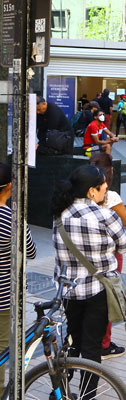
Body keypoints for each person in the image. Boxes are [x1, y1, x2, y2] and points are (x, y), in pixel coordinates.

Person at [51, 165, 126, 390]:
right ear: (91, 191)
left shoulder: (59, 213)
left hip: (68, 290)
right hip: (98, 290)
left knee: (73, 340)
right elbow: (124, 246)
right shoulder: (106, 215)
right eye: (103, 186)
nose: (106, 188)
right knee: (92, 347)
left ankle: (62, 390)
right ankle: (87, 394)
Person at [89, 153, 126, 360]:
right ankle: (104, 343)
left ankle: (85, 341)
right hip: (109, 254)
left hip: (84, 254)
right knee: (108, 298)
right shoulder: (111, 197)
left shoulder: (76, 199)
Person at [0, 163, 36, 390]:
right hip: (3, 295)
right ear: (10, 186)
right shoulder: (10, 219)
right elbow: (31, 251)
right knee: (2, 349)